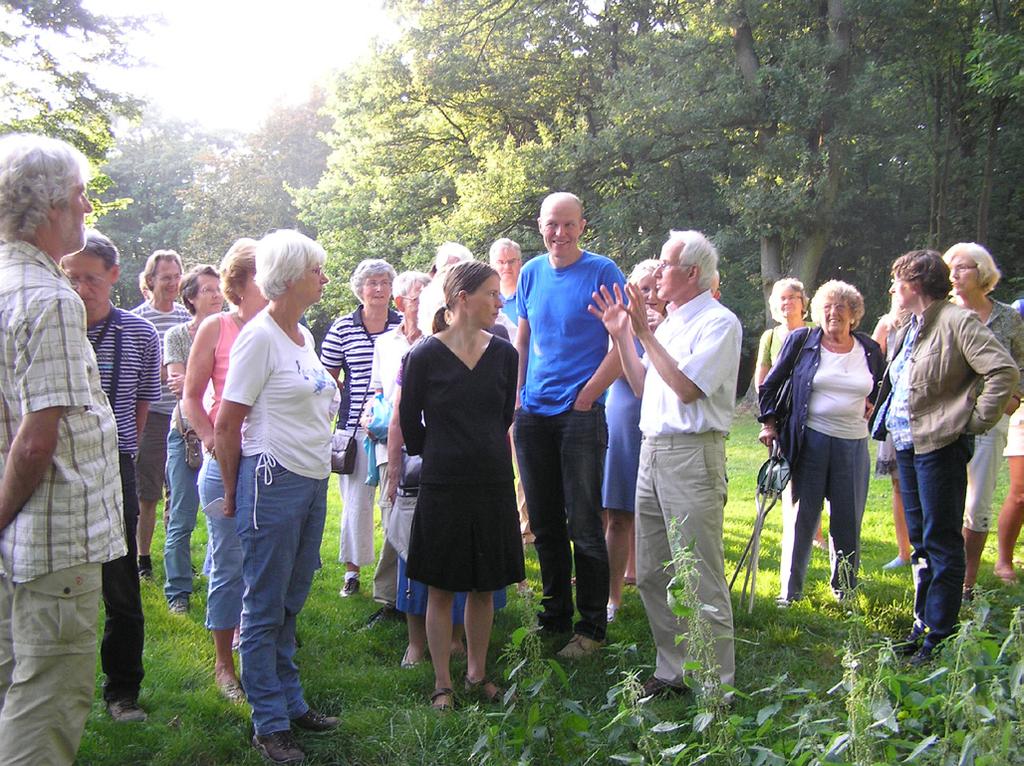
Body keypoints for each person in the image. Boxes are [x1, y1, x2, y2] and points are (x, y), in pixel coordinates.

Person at [0, 133, 127, 764]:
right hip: (51, 539)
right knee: (48, 699)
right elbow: (35, 439)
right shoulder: (50, 298)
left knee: (10, 680)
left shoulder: (7, 282)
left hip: (21, 543)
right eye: (79, 194)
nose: (86, 206)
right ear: (48, 204)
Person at [589, 229, 740, 696]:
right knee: (653, 571)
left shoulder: (719, 323)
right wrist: (622, 338)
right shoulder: (671, 323)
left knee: (698, 571)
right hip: (652, 450)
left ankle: (714, 684)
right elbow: (641, 386)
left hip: (693, 455)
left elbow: (688, 388)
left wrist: (645, 333)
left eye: (665, 264)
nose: (656, 272)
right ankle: (673, 669)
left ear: (691, 273)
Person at [215, 229, 341, 764]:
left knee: (292, 598)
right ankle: (269, 723)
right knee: (265, 606)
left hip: (312, 482)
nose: (325, 279)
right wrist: (229, 492)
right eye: (317, 271)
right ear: (290, 278)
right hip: (270, 482)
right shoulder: (259, 337)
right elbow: (226, 424)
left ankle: (290, 701)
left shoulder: (303, 335)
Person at [870, 250, 1017, 665]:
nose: (893, 289)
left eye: (897, 281)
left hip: (940, 446)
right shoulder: (910, 326)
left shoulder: (957, 321)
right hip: (908, 444)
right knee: (921, 543)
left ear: (913, 284)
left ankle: (941, 638)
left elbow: (1002, 371)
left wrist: (974, 420)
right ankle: (924, 628)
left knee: (941, 542)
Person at [399, 260, 524, 711]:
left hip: (492, 479)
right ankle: (442, 682)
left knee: (485, 584)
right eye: (492, 293)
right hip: (443, 481)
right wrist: (442, 452)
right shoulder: (423, 355)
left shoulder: (506, 353)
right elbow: (410, 423)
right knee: (440, 584)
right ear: (461, 299)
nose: (499, 301)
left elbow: (503, 415)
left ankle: (476, 672)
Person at [514, 192, 625, 659]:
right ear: (540, 226)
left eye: (567, 225)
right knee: (543, 524)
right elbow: (524, 338)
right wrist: (517, 399)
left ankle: (591, 630)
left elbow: (624, 345)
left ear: (582, 226)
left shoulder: (602, 273)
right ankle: (554, 616)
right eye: (550, 225)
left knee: (583, 523)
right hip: (533, 414)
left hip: (579, 417)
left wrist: (587, 396)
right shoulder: (530, 273)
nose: (558, 234)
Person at [62, 231, 161, 723]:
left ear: (115, 277)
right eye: (71, 276)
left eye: (91, 278)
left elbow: (144, 399)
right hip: (56, 462)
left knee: (120, 580)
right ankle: (54, 687)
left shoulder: (140, 334)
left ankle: (122, 690)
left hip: (114, 462)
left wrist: (125, 449)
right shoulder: (53, 324)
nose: (81, 288)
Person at [758, 281, 885, 604]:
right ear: (817, 312)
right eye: (827, 308)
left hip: (853, 445)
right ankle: (790, 592)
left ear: (854, 315)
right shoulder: (803, 340)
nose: (833, 314)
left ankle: (845, 589)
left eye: (841, 308)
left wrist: (873, 404)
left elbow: (881, 386)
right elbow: (771, 384)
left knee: (848, 519)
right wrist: (770, 424)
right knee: (802, 517)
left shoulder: (868, 348)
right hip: (809, 440)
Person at [182, 239, 267, 703]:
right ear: (240, 281)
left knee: (268, 562)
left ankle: (260, 646)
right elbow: (191, 396)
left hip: (273, 463)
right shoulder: (216, 327)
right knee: (229, 562)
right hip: (225, 463)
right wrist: (211, 438)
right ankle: (223, 664)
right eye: (262, 273)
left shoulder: (282, 327)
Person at [943, 243, 1024, 599]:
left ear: (982, 273)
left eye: (963, 268)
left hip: (990, 421)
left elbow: (1021, 361)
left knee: (976, 506)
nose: (955, 275)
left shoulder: (1007, 317)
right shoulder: (942, 313)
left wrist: (1015, 398)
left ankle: (966, 583)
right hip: (945, 420)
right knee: (943, 500)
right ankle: (941, 580)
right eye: (951, 269)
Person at [321, 259, 401, 598]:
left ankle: (395, 575)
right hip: (355, 428)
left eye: (384, 282)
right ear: (360, 289)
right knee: (356, 503)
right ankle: (352, 572)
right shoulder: (342, 328)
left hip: (396, 426)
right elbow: (326, 377)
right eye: (372, 283)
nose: (379, 289)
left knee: (394, 503)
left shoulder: (403, 325)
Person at [365, 270, 430, 626]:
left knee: (414, 518)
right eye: (416, 298)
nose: (421, 304)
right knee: (391, 515)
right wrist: (372, 410)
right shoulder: (386, 343)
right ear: (400, 303)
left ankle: (415, 599)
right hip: (389, 438)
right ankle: (390, 598)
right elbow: (378, 388)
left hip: (422, 440)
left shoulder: (436, 339)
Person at [603, 259, 666, 623]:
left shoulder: (676, 324)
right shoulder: (618, 324)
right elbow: (630, 375)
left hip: (664, 422)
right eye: (643, 289)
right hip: (627, 416)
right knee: (619, 514)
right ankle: (612, 599)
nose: (651, 295)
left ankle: (665, 592)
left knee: (664, 514)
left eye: (657, 288)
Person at [163, 265, 225, 613]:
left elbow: (189, 384)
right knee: (182, 515)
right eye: (208, 290)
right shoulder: (177, 336)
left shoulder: (233, 329)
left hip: (225, 433)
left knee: (226, 516)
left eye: (219, 289)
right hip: (185, 434)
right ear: (190, 298)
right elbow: (178, 384)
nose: (217, 295)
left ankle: (220, 579)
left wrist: (192, 381)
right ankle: (178, 593)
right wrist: (193, 383)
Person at [132, 249, 190, 578]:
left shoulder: (186, 318)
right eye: (165, 277)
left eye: (176, 276)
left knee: (179, 492)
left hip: (183, 416)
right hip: (152, 416)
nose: (172, 283)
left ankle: (174, 557)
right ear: (150, 280)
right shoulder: (137, 318)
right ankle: (143, 559)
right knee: (148, 491)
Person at [489, 238, 531, 544]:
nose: (507, 267)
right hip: (497, 391)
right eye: (501, 262)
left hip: (528, 388)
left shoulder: (527, 293)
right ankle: (509, 522)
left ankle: (526, 526)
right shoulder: (489, 298)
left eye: (512, 260)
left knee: (525, 459)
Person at [870, 290, 913, 570]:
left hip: (924, 412)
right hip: (894, 410)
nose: (891, 292)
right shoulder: (887, 324)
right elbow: (871, 363)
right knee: (899, 484)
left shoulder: (931, 321)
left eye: (898, 287)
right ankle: (903, 551)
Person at [755, 278, 810, 389]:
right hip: (781, 403)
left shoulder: (817, 331)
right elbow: (760, 383)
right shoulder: (769, 337)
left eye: (791, 297)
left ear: (802, 301)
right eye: (782, 298)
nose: (787, 302)